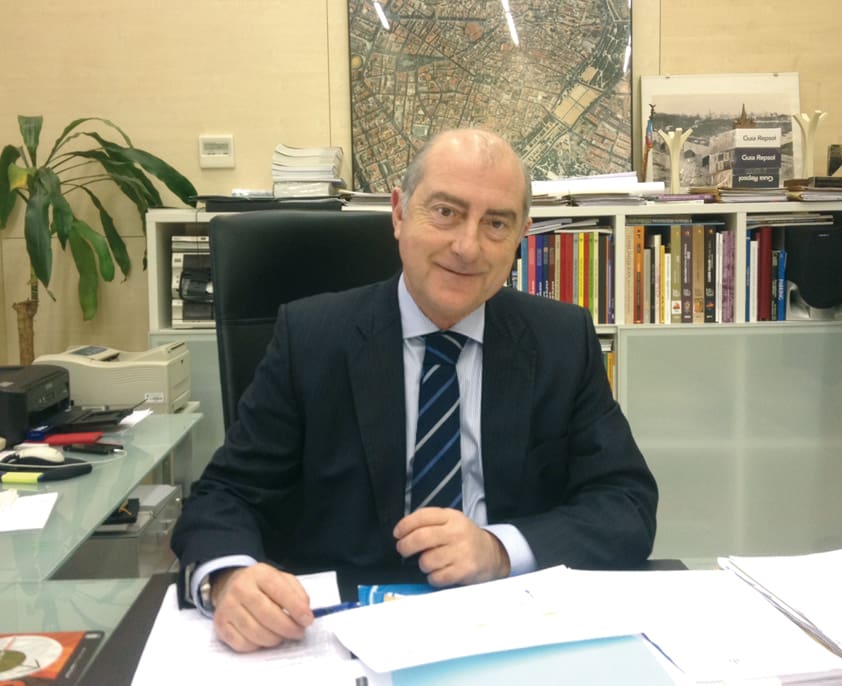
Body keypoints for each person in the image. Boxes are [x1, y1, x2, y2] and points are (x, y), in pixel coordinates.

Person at [171, 128, 658, 653]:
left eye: (496, 223)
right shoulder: (311, 337)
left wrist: (498, 549)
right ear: (399, 213)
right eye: (446, 212)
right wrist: (229, 579)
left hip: (504, 622)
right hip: (337, 626)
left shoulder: (561, 340)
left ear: (521, 236)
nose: (467, 247)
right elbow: (227, 494)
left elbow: (624, 503)